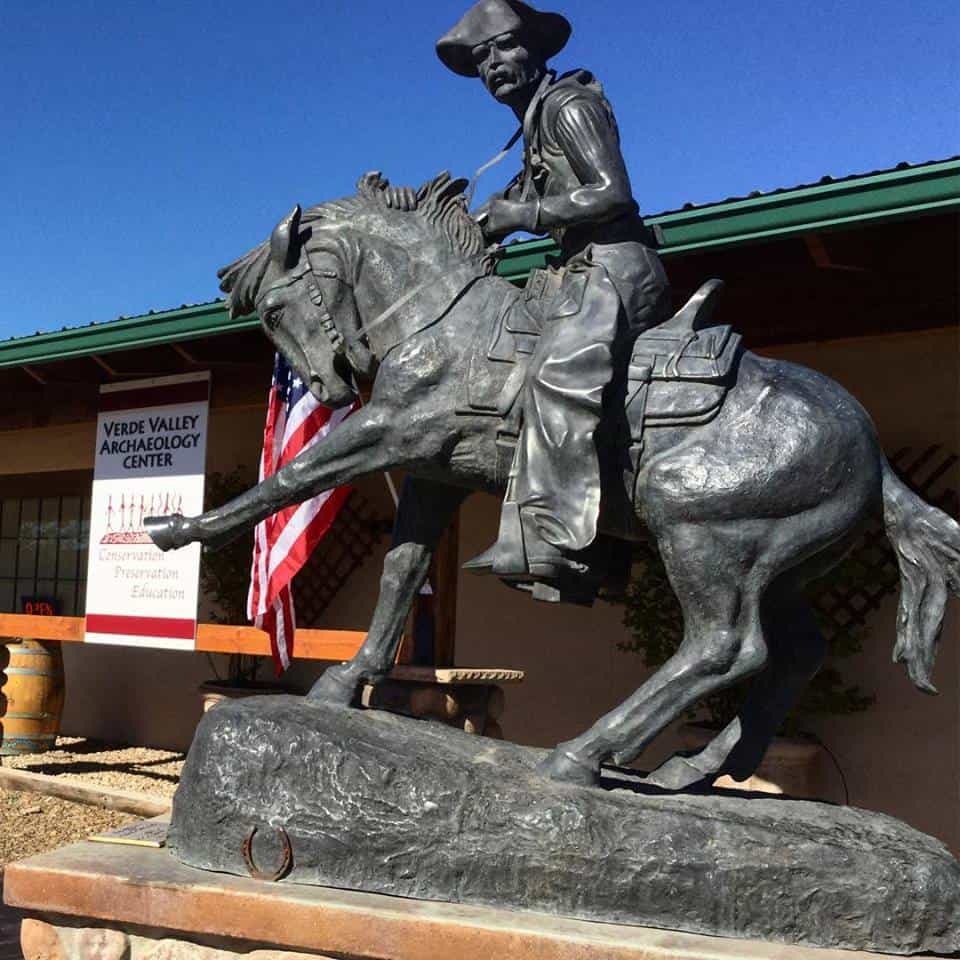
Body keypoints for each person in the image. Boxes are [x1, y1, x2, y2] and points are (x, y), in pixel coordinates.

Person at [437, 0, 671, 591]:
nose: (493, 65)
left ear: (536, 49)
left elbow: (612, 192)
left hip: (618, 268)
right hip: (576, 272)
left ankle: (560, 541)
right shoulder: (531, 127)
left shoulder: (569, 106)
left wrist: (526, 213)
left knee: (556, 373)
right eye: (480, 58)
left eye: (504, 47)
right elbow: (515, 205)